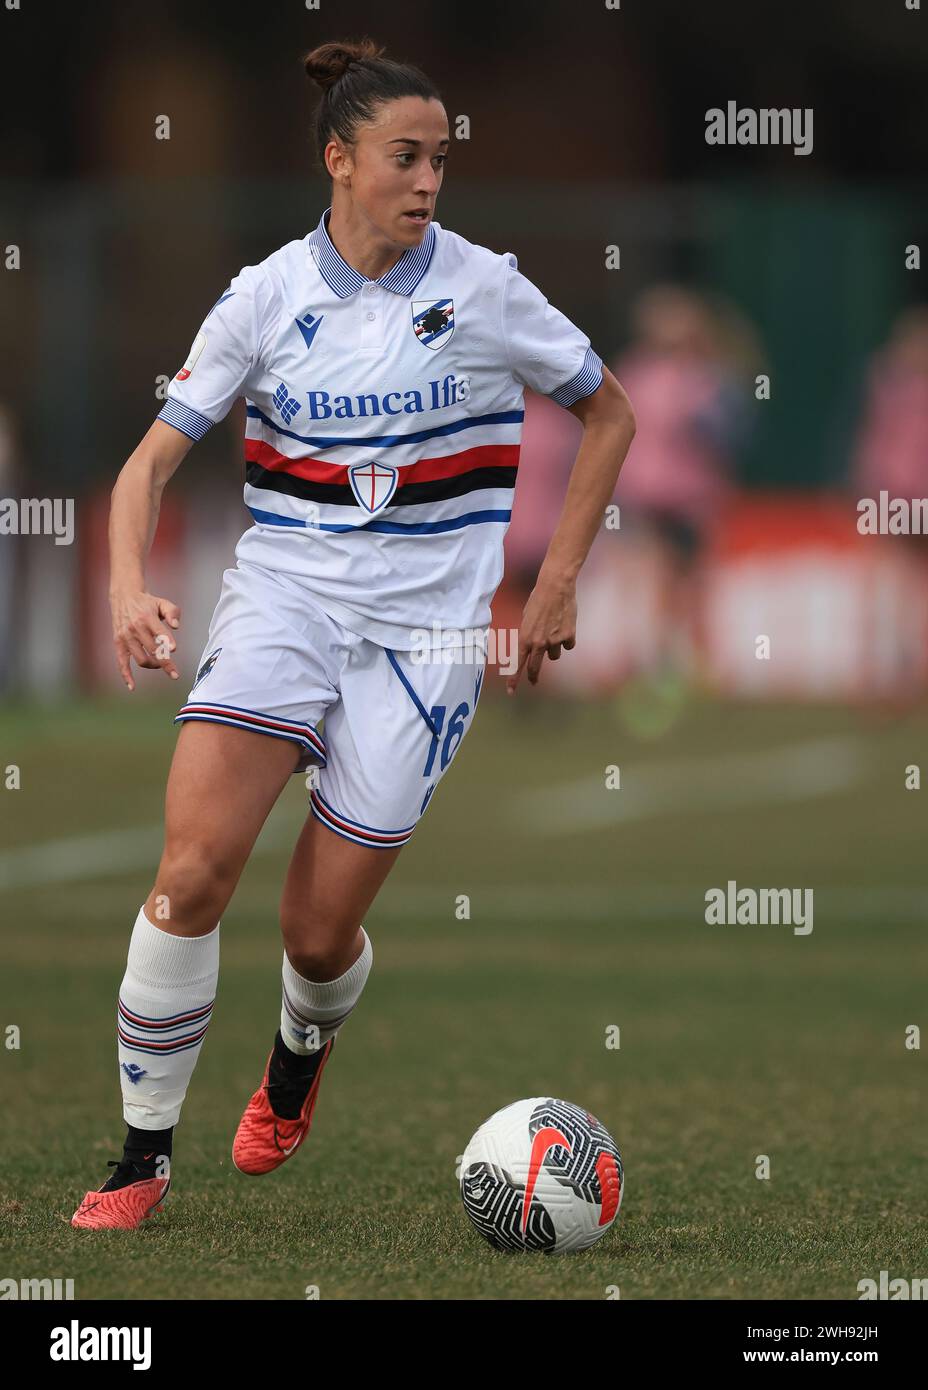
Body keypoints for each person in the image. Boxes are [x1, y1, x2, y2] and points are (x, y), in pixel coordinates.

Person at [71, 36, 636, 1230]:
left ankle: (296, 1051)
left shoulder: (485, 288)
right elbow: (147, 466)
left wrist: (555, 580)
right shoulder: (264, 296)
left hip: (426, 643)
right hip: (286, 604)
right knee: (189, 876)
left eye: (439, 159)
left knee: (318, 934)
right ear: (338, 159)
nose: (428, 179)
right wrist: (127, 587)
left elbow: (610, 411)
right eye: (403, 156)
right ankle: (140, 1156)